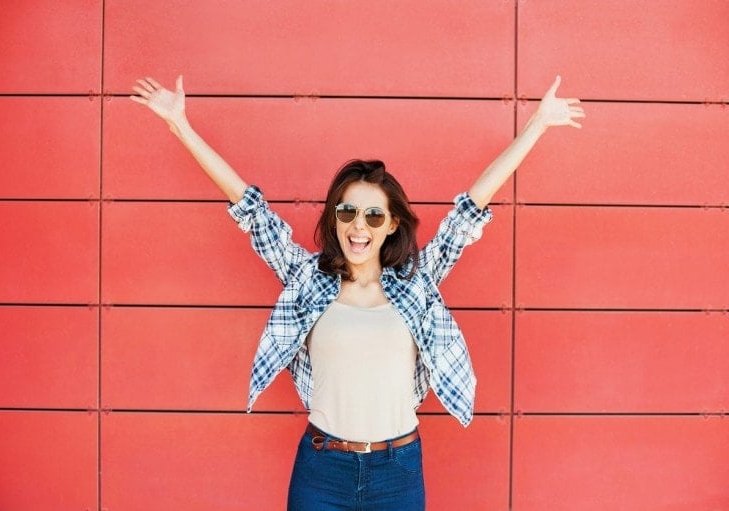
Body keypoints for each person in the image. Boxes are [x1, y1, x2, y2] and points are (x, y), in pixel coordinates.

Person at [131, 75, 584, 511]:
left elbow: (470, 209)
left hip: (398, 471)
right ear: (334, 219)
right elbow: (250, 209)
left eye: (373, 216)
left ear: (390, 226)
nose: (358, 226)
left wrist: (536, 126)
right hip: (322, 469)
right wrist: (180, 124)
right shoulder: (306, 279)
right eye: (347, 212)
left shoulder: (416, 282)